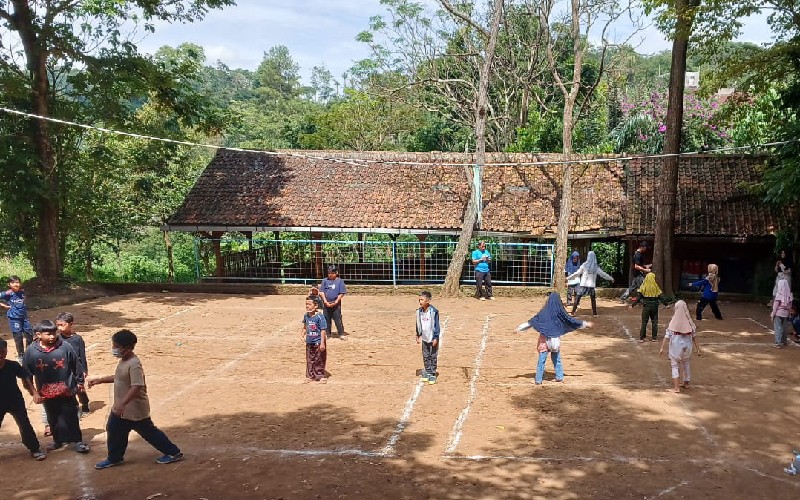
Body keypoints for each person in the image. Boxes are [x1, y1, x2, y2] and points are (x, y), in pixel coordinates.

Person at [88, 329, 183, 469]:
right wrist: (100, 380)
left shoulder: (134, 364)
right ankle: (114, 457)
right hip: (124, 409)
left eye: (115, 346)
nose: (113, 349)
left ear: (126, 348)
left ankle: (173, 452)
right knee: (114, 429)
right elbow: (119, 378)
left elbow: (137, 386)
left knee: (148, 432)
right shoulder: (124, 361)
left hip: (134, 409)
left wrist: (122, 403)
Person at [23, 320, 89, 453]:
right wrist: (34, 393)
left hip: (67, 390)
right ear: (38, 335)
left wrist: (80, 383)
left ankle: (77, 441)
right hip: (46, 393)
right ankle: (58, 441)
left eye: (54, 333)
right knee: (52, 417)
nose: (52, 336)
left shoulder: (65, 346)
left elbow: (76, 366)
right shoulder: (31, 351)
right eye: (48, 334)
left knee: (71, 416)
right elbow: (26, 375)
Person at [515, 293, 592, 385]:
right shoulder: (560, 313)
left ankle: (538, 379)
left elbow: (531, 322)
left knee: (541, 360)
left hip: (544, 341)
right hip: (555, 341)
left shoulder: (543, 313)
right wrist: (585, 324)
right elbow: (571, 321)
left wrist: (519, 328)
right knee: (556, 359)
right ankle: (559, 376)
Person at [0, 338, 47, 460]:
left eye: (2, 352)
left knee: (25, 425)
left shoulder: (12, 365)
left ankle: (34, 449)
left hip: (15, 401)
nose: (0, 355)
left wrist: (34, 392)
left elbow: (25, 377)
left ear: (6, 351)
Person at [659, 300, 702, 393]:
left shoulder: (673, 323)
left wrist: (662, 348)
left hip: (676, 346)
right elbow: (694, 336)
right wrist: (698, 348)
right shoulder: (690, 323)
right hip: (687, 347)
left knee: (674, 365)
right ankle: (686, 383)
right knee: (686, 364)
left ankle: (676, 387)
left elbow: (666, 336)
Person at [56, 312, 91, 417]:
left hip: (77, 368)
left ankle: (85, 404)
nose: (59, 328)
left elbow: (82, 355)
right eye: (58, 325)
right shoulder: (58, 339)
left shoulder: (77, 339)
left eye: (62, 325)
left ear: (70, 324)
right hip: (64, 369)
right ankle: (75, 409)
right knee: (68, 389)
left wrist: (84, 370)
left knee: (79, 388)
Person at [566, 250, 613, 317]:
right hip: (591, 285)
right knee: (593, 299)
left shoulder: (584, 265)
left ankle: (573, 312)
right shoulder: (596, 267)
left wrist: (568, 278)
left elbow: (577, 273)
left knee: (578, 298)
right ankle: (594, 314)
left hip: (583, 285)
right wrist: (611, 278)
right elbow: (603, 274)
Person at [0, 275, 34, 363]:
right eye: (13, 282)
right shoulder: (7, 293)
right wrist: (3, 305)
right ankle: (21, 355)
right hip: (14, 318)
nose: (16, 284)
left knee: (29, 334)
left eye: (17, 282)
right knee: (18, 336)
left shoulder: (22, 292)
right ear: (9, 284)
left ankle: (29, 353)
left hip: (24, 317)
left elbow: (23, 300)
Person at [631, 273, 671, 343]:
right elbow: (661, 297)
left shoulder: (643, 286)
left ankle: (641, 338)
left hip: (646, 306)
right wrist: (666, 304)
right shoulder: (655, 287)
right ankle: (654, 337)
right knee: (654, 322)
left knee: (644, 322)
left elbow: (638, 298)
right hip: (654, 306)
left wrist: (632, 305)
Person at [415, 291, 441, 385]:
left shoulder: (433, 312)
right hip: (425, 338)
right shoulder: (419, 312)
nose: (420, 302)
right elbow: (418, 323)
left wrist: (436, 337)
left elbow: (436, 325)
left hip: (432, 338)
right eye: (419, 300)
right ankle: (427, 371)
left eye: (422, 300)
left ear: (428, 301)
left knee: (433, 356)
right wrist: (418, 334)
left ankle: (433, 373)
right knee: (425, 356)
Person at [301, 296, 328, 383]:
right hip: (309, 342)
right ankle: (310, 376)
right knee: (309, 359)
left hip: (318, 341)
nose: (307, 306)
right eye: (306, 304)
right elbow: (305, 327)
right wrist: (302, 335)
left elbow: (323, 330)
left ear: (316, 306)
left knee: (319, 359)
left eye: (309, 304)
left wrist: (322, 343)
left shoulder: (320, 317)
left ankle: (320, 376)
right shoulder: (306, 316)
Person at [320, 266, 346, 338]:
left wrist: (336, 301)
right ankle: (328, 334)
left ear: (336, 273)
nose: (330, 275)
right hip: (326, 303)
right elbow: (321, 292)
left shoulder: (340, 281)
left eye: (332, 273)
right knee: (326, 319)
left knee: (338, 319)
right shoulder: (325, 281)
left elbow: (341, 293)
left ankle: (341, 333)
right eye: (329, 273)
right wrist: (325, 301)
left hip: (336, 304)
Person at [771, 278, 793, 348]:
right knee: (784, 328)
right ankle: (784, 341)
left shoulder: (779, 294)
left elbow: (775, 306)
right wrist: (789, 313)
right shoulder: (790, 295)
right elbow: (790, 306)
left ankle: (778, 343)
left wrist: (772, 314)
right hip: (786, 314)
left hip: (778, 313)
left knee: (778, 328)